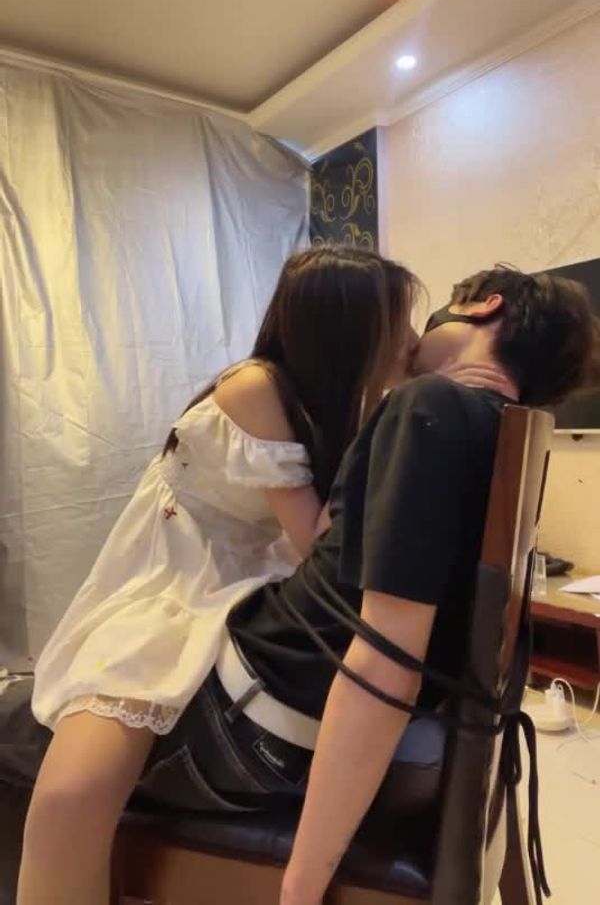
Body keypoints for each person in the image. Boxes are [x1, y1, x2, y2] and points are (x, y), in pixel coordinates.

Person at [17, 263, 597, 904]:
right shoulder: (487, 425)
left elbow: (385, 659)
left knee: (40, 753)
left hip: (260, 715)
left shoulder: (429, 410)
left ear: (482, 307)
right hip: (202, 600)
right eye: (398, 323)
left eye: (420, 320)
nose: (410, 340)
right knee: (64, 739)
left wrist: (303, 882)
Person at [17, 244, 420, 905]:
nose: (411, 339)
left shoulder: (331, 404)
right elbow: (314, 540)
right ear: (347, 328)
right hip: (175, 573)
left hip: (240, 569)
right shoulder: (256, 387)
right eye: (398, 322)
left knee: (82, 786)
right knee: (75, 789)